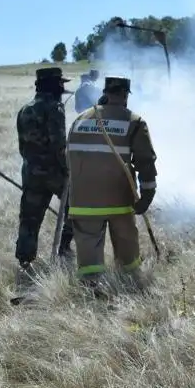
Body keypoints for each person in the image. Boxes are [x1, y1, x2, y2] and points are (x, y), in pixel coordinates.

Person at [66, 76, 157, 293]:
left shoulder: (79, 119)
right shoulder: (133, 121)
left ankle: (91, 291)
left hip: (83, 202)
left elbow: (68, 156)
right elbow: (145, 162)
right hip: (119, 201)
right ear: (125, 95)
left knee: (88, 250)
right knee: (127, 251)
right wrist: (147, 194)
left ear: (105, 93)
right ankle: (129, 287)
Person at [15, 67, 75, 277]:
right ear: (54, 85)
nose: (63, 88)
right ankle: (64, 248)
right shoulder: (55, 108)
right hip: (54, 174)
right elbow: (59, 145)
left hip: (31, 173)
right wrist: (68, 168)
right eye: (60, 84)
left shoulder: (25, 109)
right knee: (74, 207)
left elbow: (22, 146)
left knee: (29, 218)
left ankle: (25, 259)